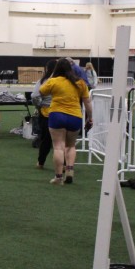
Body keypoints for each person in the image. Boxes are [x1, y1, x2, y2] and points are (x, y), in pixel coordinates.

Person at [39, 57, 93, 185]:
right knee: (71, 146)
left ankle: (58, 177)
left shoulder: (53, 81)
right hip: (75, 116)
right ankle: (69, 171)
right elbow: (87, 102)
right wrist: (90, 117)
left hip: (57, 115)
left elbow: (41, 92)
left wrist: (51, 76)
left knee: (58, 147)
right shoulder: (80, 83)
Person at [31, 59, 56, 169]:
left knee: (46, 139)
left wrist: (40, 105)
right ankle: (66, 166)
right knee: (61, 143)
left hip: (46, 113)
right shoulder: (66, 81)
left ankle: (41, 162)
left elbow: (35, 96)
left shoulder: (44, 81)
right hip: (63, 112)